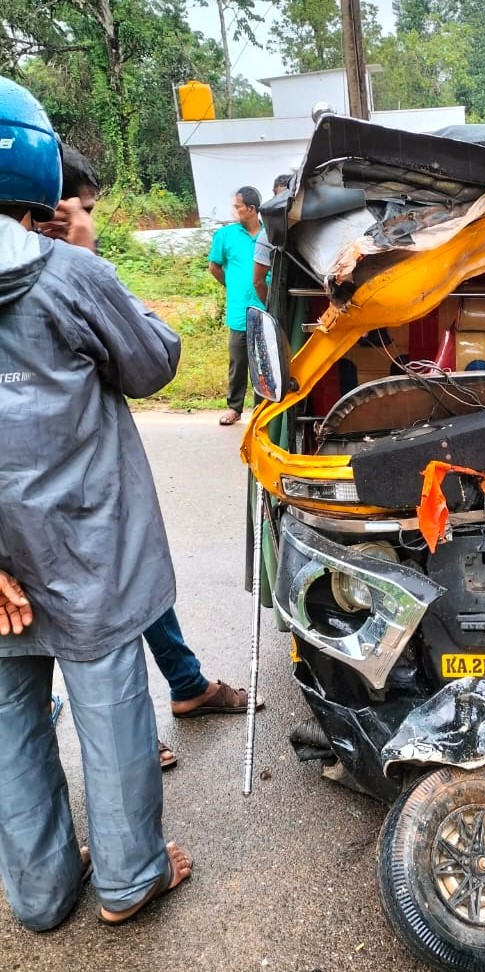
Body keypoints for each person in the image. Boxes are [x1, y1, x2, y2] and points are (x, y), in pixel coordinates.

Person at [0, 77, 191, 930]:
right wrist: (90, 252)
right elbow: (153, 362)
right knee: (111, 710)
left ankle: (40, 895)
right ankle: (129, 880)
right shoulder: (69, 276)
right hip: (85, 547)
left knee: (8, 727)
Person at [38, 146, 261, 773]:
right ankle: (122, 740)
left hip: (84, 494)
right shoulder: (56, 274)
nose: (90, 220)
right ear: (45, 209)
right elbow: (153, 358)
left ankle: (184, 684)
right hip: (64, 500)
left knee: (134, 577)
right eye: (82, 209)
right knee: (79, 625)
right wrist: (84, 261)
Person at [208, 186, 265, 426]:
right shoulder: (225, 236)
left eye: (238, 207)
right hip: (239, 311)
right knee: (239, 361)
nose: (235, 211)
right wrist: (233, 288)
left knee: (264, 361)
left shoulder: (269, 234)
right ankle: (234, 407)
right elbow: (214, 267)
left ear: (251, 209)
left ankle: (262, 409)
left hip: (266, 308)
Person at [253, 173, 292, 304]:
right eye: (281, 198)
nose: (286, 203)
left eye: (290, 197)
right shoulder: (268, 235)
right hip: (287, 306)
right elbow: (258, 282)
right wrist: (273, 310)